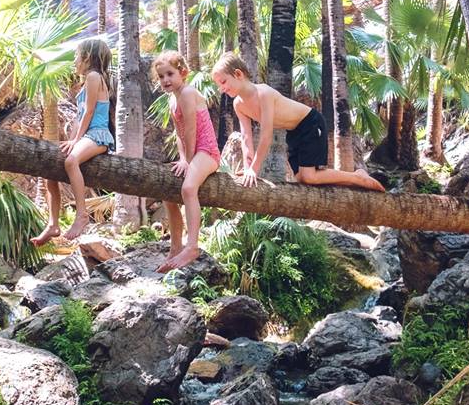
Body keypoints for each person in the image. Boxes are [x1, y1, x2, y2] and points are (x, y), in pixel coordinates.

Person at [211, 52, 385, 191]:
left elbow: (266, 137)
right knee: (302, 179)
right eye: (219, 85)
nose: (222, 88)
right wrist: (248, 168)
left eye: (223, 82)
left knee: (309, 176)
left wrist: (254, 170)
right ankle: (354, 180)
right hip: (294, 132)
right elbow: (246, 138)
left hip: (310, 123)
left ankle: (357, 177)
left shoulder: (263, 93)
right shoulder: (238, 104)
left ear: (238, 74)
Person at [31, 38, 115, 246]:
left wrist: (77, 141)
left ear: (87, 58)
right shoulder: (88, 79)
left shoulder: (94, 77)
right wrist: (71, 141)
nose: (74, 61)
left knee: (70, 162)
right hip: (86, 135)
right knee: (51, 170)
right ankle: (53, 224)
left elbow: (90, 111)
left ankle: (82, 215)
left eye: (76, 57)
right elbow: (79, 117)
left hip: (98, 135)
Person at [154, 51, 221, 272]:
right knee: (167, 193)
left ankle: (192, 246)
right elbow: (179, 134)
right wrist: (182, 159)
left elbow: (191, 130)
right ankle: (175, 247)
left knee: (189, 188)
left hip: (207, 152)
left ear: (183, 72)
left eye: (170, 74)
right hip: (192, 152)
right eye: (161, 76)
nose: (165, 80)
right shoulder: (173, 99)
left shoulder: (188, 93)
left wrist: (191, 162)